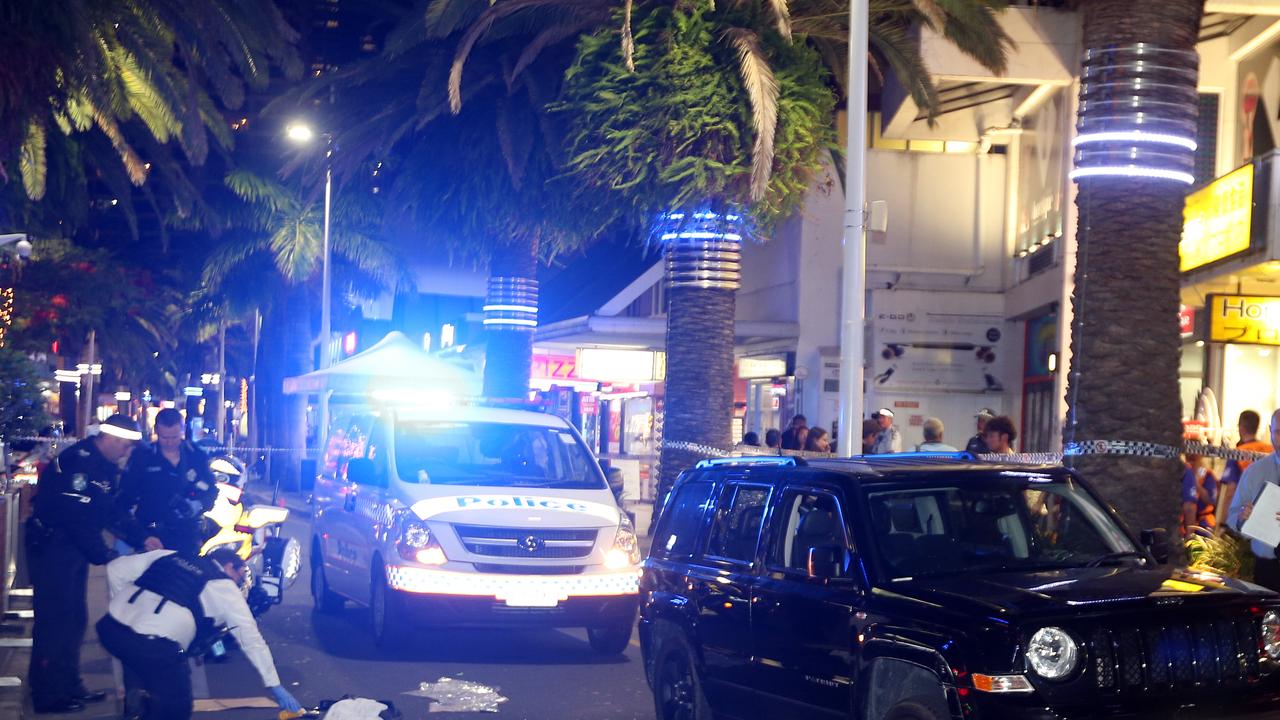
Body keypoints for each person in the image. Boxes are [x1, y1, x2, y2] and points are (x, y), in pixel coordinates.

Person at [97, 548, 302, 719]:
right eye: (240, 577)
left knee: (136, 665)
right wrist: (274, 684)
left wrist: (125, 609)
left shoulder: (171, 555)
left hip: (111, 630)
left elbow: (115, 569)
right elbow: (252, 640)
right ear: (229, 566)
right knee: (176, 708)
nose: (240, 585)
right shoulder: (225, 587)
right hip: (154, 645)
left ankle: (136, 704)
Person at [26, 415, 140, 714]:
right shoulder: (80, 462)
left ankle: (68, 684)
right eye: (125, 445)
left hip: (70, 550)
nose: (126, 452)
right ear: (112, 439)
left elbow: (109, 511)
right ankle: (49, 695)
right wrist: (103, 554)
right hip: (53, 549)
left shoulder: (102, 466)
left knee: (74, 619)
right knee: (55, 622)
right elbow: (76, 517)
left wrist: (142, 536)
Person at [115, 409, 219, 557]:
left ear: (182, 430)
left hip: (186, 532)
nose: (169, 442)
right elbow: (125, 497)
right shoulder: (142, 458)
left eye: (174, 437)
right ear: (156, 431)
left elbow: (212, 490)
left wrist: (199, 505)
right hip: (152, 531)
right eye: (164, 437)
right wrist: (137, 534)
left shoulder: (196, 455)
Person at [1229, 408, 1280, 590]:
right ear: (1270, 431)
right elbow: (1233, 516)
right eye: (1279, 432)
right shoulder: (1255, 472)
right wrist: (1242, 518)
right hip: (1267, 568)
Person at [1218, 410, 1274, 526]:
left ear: (1241, 428)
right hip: (1270, 514)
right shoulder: (1271, 451)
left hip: (1244, 513)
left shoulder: (1238, 454)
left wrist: (1223, 522)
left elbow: (1230, 492)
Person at [1181, 454, 1218, 536]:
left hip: (1204, 522)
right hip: (1183, 522)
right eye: (1189, 451)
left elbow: (1211, 500)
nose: (1191, 454)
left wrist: (1196, 484)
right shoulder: (1181, 471)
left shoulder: (1207, 474)